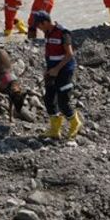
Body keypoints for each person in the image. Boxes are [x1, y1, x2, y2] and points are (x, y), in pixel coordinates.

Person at [33, 11, 82, 140]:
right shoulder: (47, 32)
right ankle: (55, 130)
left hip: (64, 70)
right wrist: (48, 69)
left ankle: (75, 123)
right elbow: (50, 53)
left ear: (45, 22)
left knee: (63, 101)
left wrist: (56, 69)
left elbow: (69, 54)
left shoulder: (63, 33)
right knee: (49, 99)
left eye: (39, 25)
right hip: (52, 69)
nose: (38, 28)